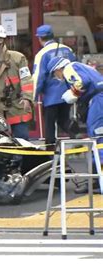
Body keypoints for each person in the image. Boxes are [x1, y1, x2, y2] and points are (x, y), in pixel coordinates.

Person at [47, 57, 102, 193]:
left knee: (98, 136)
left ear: (58, 69)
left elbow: (82, 82)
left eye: (55, 74)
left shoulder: (69, 68)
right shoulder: (81, 66)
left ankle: (99, 180)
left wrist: (73, 93)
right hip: (98, 99)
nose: (57, 77)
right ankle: (96, 180)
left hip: (98, 101)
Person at [33, 24, 77, 149]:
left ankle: (50, 149)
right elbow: (75, 69)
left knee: (49, 124)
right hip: (68, 93)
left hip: (51, 96)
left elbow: (38, 77)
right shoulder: (68, 50)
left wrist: (34, 97)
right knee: (64, 120)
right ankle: (77, 138)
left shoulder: (42, 54)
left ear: (40, 38)